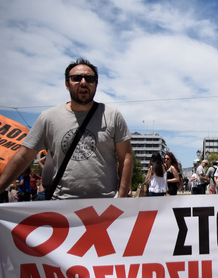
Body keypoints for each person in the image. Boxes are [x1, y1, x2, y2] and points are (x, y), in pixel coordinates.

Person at [0, 58, 133, 199]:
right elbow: (23, 156)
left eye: (89, 78)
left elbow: (125, 157)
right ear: (67, 84)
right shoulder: (48, 118)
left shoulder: (112, 115)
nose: (83, 82)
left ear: (96, 84)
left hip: (105, 204)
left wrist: (121, 197)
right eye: (76, 78)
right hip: (62, 206)